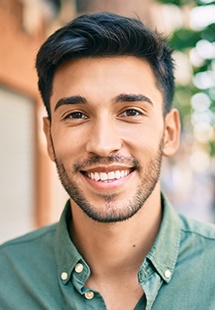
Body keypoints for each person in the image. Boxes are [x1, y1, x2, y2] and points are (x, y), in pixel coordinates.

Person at [0, 12, 215, 310]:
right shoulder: (5, 279)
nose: (103, 144)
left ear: (169, 132)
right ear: (49, 137)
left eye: (130, 112)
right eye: (76, 115)